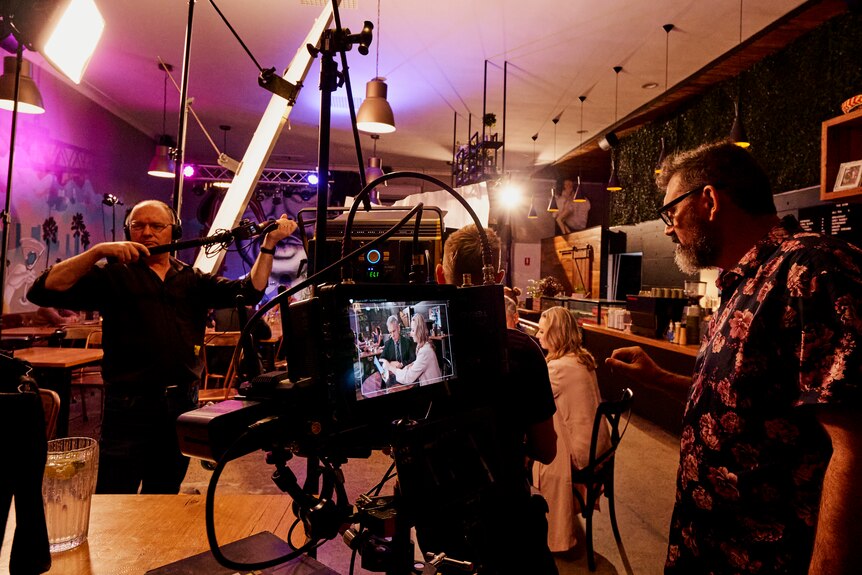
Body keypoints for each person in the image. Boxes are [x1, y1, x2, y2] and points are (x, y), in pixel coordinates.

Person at [605, 141, 862, 574]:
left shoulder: (814, 268)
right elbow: (746, 402)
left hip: (768, 557)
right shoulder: (741, 280)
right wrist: (659, 378)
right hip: (708, 544)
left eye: (670, 213)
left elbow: (855, 442)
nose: (668, 229)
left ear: (708, 200)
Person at [27, 200, 296, 494]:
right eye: (138, 226)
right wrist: (98, 252)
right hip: (129, 405)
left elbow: (249, 291)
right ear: (127, 232)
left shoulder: (190, 278)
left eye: (157, 226)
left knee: (165, 489)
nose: (147, 232)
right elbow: (42, 290)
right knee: (115, 493)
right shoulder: (113, 276)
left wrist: (268, 245)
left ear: (174, 232)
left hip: (182, 403)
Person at [407, 223, 558, 574]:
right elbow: (546, 450)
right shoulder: (523, 352)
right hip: (508, 515)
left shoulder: (422, 354)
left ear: (441, 275)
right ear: (500, 277)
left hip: (438, 520)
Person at [532, 306, 609, 553]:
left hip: (584, 454)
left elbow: (527, 397)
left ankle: (547, 531)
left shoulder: (557, 369)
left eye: (543, 332)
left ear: (556, 334)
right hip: (601, 446)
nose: (538, 336)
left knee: (537, 449)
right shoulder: (582, 358)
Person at [382, 312, 441, 385]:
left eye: (413, 330)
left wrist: (390, 367)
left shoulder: (425, 351)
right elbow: (416, 362)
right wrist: (406, 367)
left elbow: (407, 378)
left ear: (420, 331)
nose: (410, 333)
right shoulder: (422, 345)